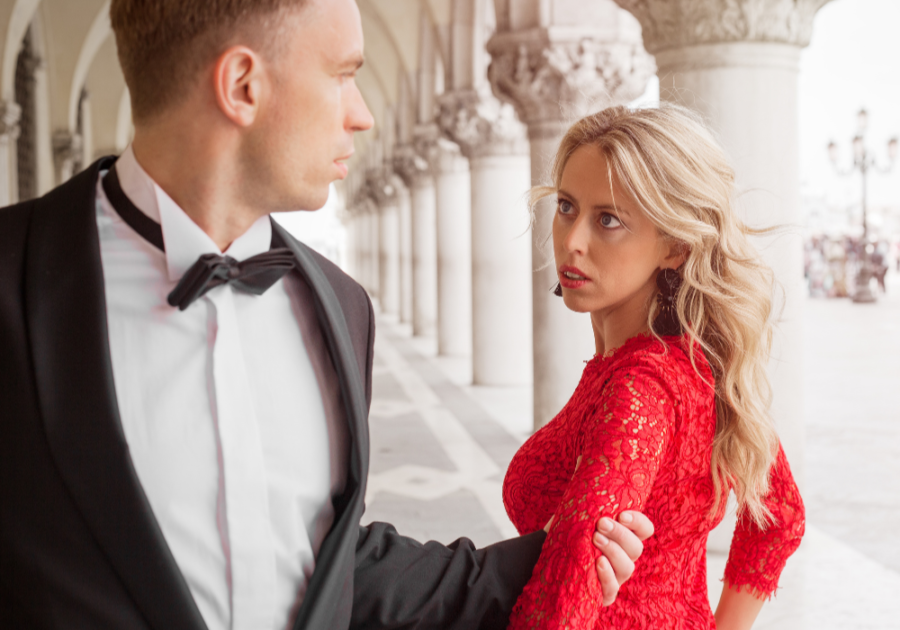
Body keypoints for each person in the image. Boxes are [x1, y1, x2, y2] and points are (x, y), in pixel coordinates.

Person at [0, 1, 654, 629]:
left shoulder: (339, 308)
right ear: (243, 86)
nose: (362, 114)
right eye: (343, 75)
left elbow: (328, 566)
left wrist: (549, 559)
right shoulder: (14, 280)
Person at [502, 105, 806, 629]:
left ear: (675, 245)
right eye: (567, 207)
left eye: (609, 220)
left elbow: (574, 578)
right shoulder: (700, 365)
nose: (572, 241)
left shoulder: (640, 389)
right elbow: (780, 518)